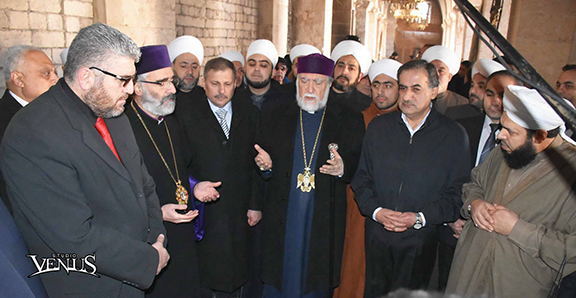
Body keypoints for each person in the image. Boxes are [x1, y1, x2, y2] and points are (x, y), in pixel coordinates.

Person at [0, 23, 168, 297]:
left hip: (136, 273)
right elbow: (72, 236)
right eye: (123, 79)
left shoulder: (115, 114)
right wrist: (148, 259)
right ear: (87, 77)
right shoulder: (32, 133)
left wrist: (158, 240)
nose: (131, 89)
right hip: (91, 285)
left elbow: (144, 187)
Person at [351, 60, 471, 297]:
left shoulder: (453, 135)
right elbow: (362, 178)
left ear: (434, 91)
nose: (407, 96)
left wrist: (419, 218)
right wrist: (376, 211)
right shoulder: (379, 127)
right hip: (378, 233)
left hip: (422, 239)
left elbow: (458, 192)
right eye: (403, 88)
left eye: (416, 89)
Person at [446, 85, 576, 298]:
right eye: (502, 127)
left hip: (518, 284)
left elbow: (571, 250)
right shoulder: (507, 149)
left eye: (511, 131)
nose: (499, 136)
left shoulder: (571, 172)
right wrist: (474, 204)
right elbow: (474, 184)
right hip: (468, 273)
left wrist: (516, 229)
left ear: (540, 136)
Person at [257, 53, 365, 297]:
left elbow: (361, 164)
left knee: (314, 279)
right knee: (278, 276)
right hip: (283, 212)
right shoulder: (275, 114)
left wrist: (343, 169)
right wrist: (266, 168)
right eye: (304, 80)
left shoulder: (349, 118)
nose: (310, 88)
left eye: (318, 82)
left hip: (322, 216)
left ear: (328, 84)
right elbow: (263, 161)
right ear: (296, 81)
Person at [125, 45, 222, 297]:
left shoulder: (170, 119)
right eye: (162, 82)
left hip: (181, 234)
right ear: (137, 87)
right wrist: (155, 213)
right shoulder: (122, 130)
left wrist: (194, 186)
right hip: (147, 239)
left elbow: (178, 171)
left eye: (171, 80)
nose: (172, 89)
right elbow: (115, 195)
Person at [175, 57, 263, 297]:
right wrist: (193, 187)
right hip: (205, 211)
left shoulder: (250, 114)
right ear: (204, 83)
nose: (221, 91)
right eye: (215, 83)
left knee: (238, 273)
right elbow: (178, 162)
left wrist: (255, 204)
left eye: (227, 83)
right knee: (207, 276)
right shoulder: (185, 115)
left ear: (236, 83)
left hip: (239, 209)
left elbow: (255, 164)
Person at [334, 58, 402, 298]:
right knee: (354, 261)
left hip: (395, 208)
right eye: (376, 85)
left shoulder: (407, 122)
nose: (380, 92)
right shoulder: (357, 118)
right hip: (358, 204)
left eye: (388, 85)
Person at [0, 45, 58, 214]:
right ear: (18, 80)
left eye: (54, 72)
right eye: (46, 73)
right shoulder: (4, 122)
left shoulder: (52, 111)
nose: (55, 79)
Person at [236, 39, 292, 113]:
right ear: (245, 68)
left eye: (263, 65)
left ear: (273, 72)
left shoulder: (287, 101)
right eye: (252, 64)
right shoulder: (235, 100)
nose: (256, 69)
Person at [421, 45, 469, 114]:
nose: (436, 75)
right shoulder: (415, 99)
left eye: (441, 71)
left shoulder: (462, 104)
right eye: (432, 70)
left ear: (449, 77)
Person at [329, 40, 373, 113]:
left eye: (351, 68)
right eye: (340, 66)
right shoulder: (320, 99)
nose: (344, 72)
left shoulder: (367, 106)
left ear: (360, 76)